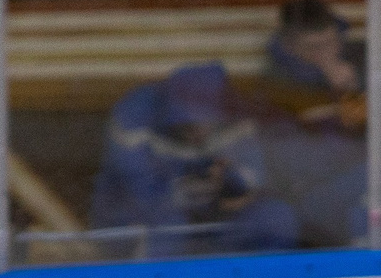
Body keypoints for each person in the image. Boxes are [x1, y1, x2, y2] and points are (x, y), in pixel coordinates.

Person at [240, 0, 381, 248]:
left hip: (379, 183)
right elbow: (292, 164)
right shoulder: (276, 88)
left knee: (377, 201)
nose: (326, 54)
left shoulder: (368, 69)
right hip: (310, 195)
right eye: (313, 48)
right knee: (372, 201)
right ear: (290, 47)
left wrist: (354, 92)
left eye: (331, 42)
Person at [89, 62, 300, 255]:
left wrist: (226, 184)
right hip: (148, 218)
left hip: (217, 221)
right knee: (170, 223)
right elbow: (132, 190)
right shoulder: (135, 119)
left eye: (206, 119)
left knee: (274, 215)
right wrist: (174, 195)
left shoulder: (240, 119)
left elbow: (253, 182)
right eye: (188, 124)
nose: (199, 132)